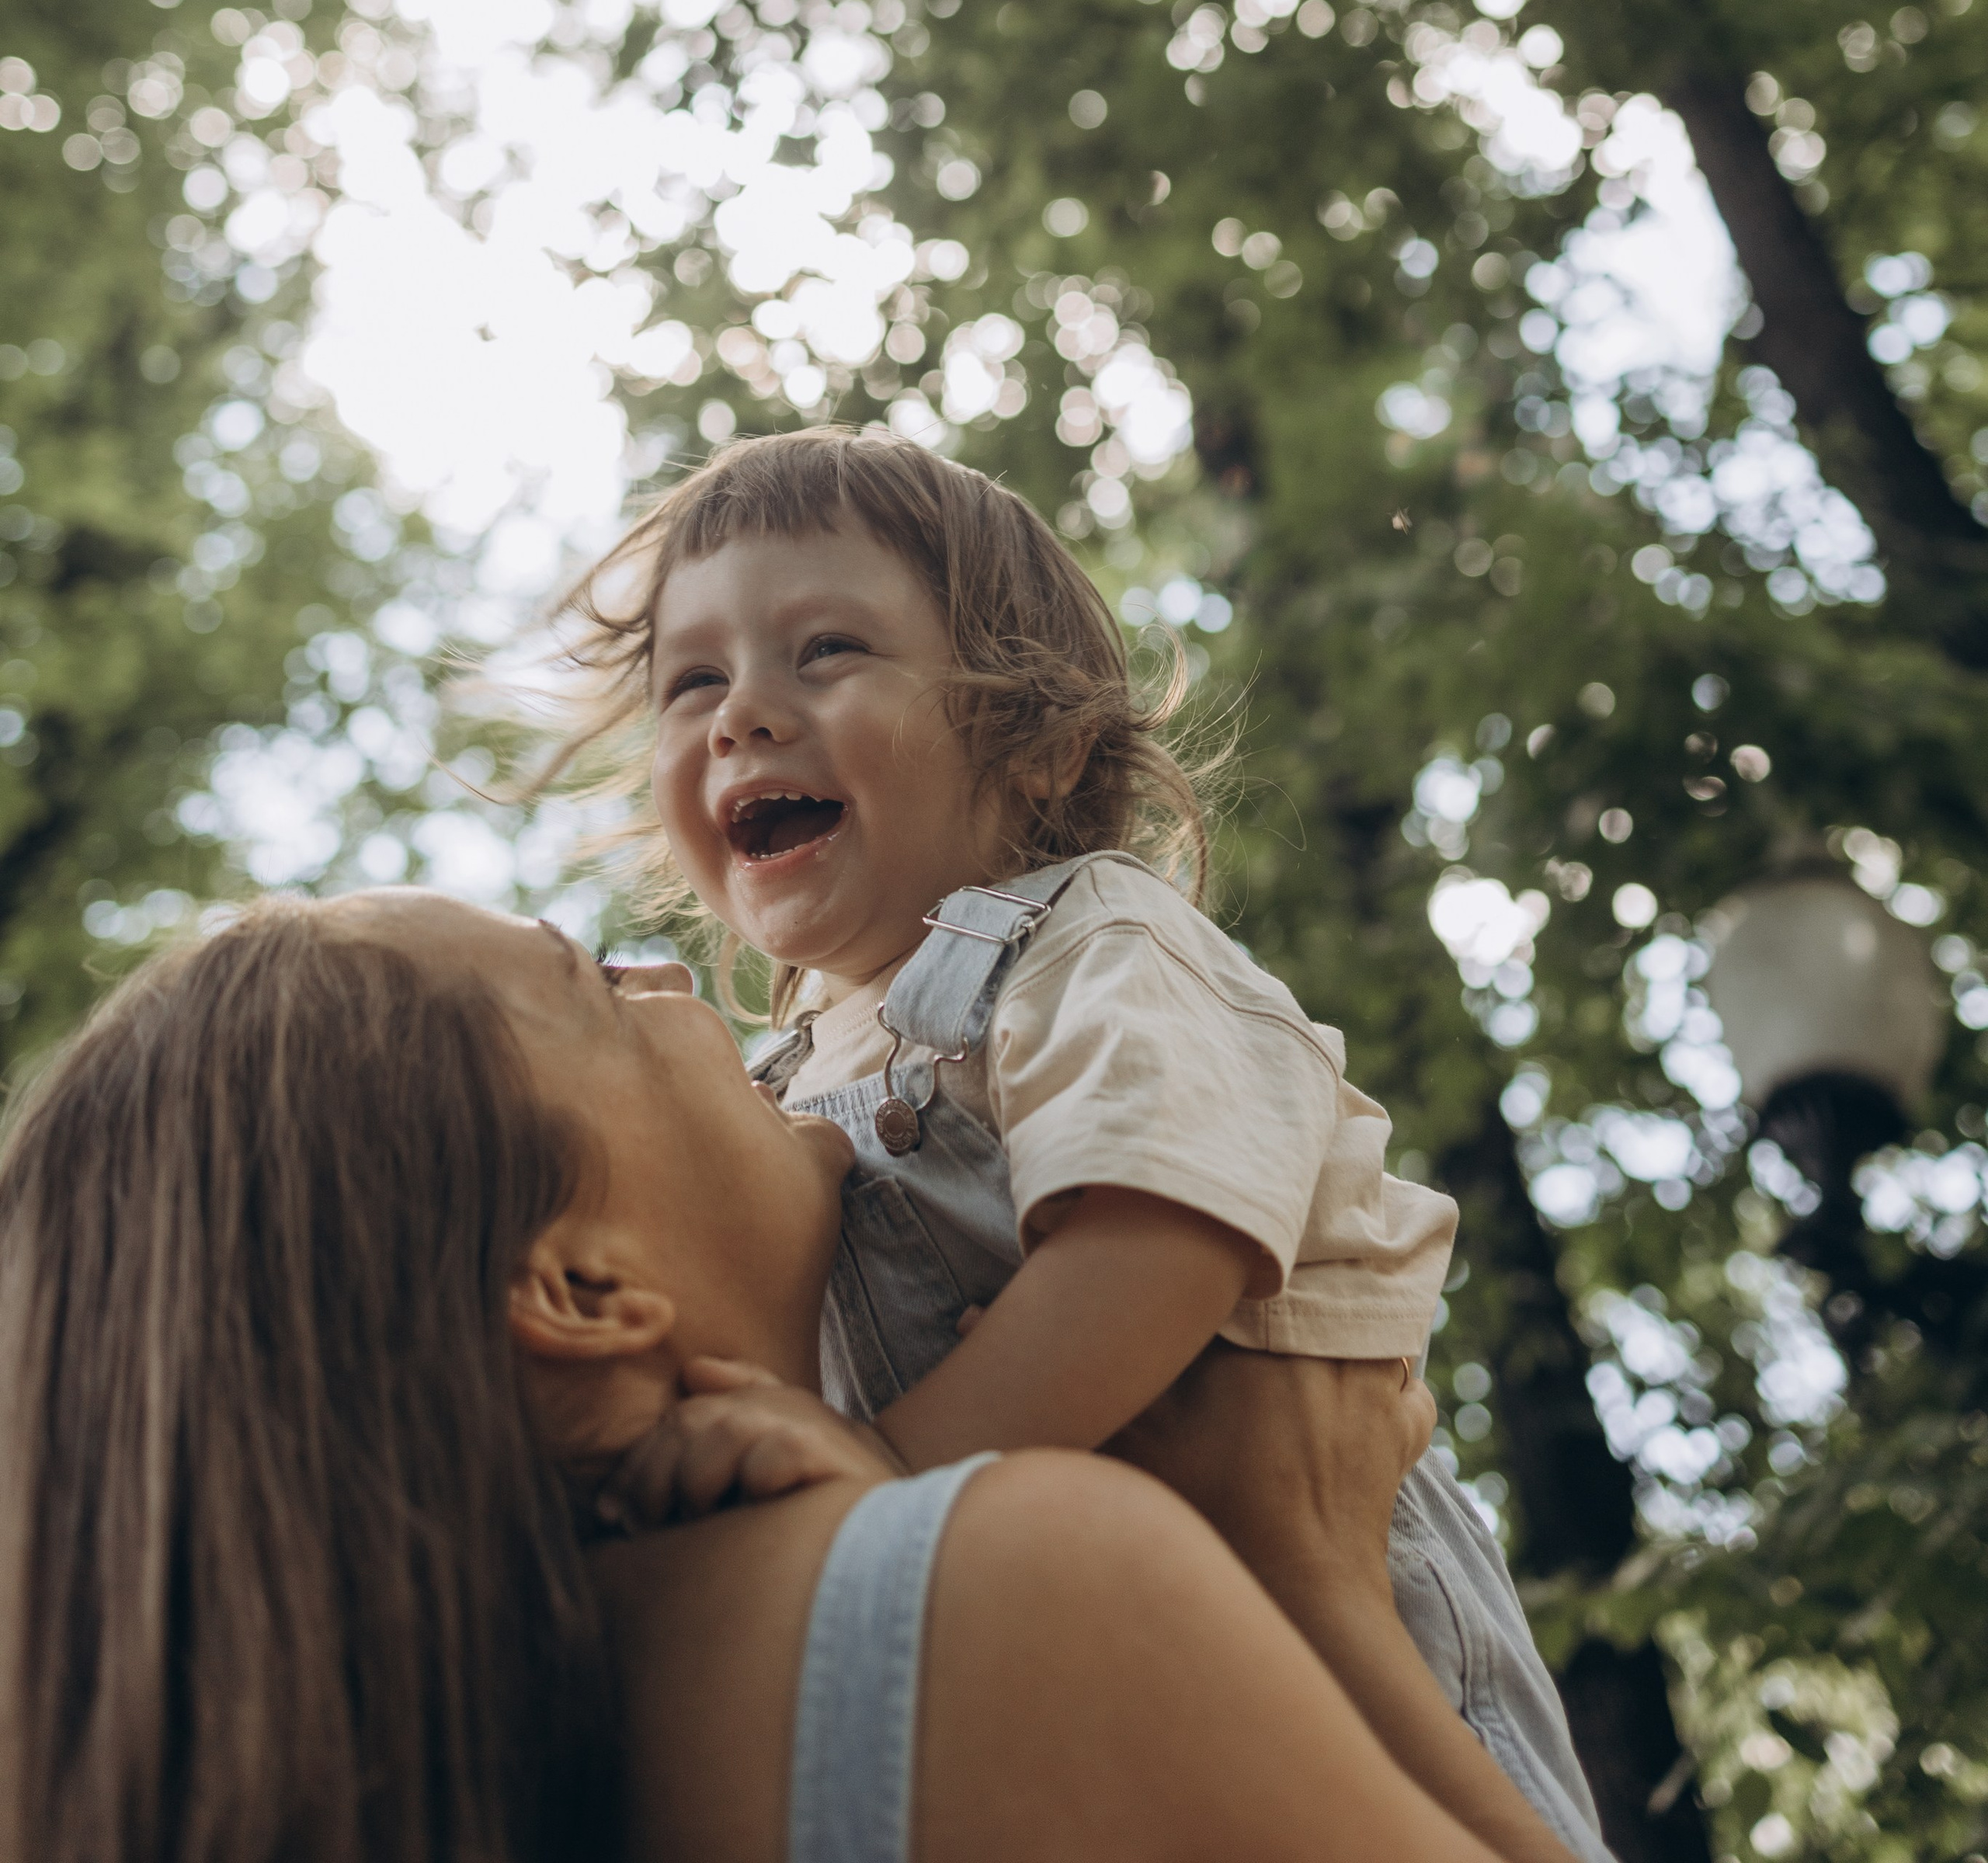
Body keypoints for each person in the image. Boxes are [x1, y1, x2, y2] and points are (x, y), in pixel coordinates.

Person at [540, 426, 1613, 1863]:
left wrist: (882, 1465)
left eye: (828, 651)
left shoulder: (1084, 942)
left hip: (1359, 1633)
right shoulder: (785, 1076)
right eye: (695, 680)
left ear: (1036, 737)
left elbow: (1163, 1241)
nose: (743, 714)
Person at [0, 885, 1513, 1863]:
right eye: (595, 986)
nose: (667, 966)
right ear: (582, 1288)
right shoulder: (981, 1608)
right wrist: (1309, 1573)